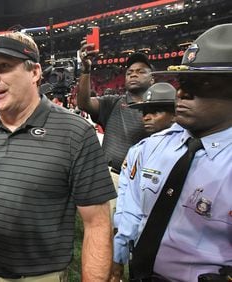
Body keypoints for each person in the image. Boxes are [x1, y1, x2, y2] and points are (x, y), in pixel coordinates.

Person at [0, 31, 116, 281]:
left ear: (34, 72)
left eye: (3, 67)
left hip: (41, 275)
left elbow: (97, 223)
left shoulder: (75, 132)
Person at [113, 24, 232, 282]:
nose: (182, 92)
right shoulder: (150, 148)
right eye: (183, 81)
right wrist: (118, 256)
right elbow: (132, 210)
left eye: (204, 83)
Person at [111, 82, 177, 281]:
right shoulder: (139, 150)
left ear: (175, 114)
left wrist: (117, 258)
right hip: (147, 251)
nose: (146, 117)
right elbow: (128, 208)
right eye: (144, 112)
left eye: (155, 111)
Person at [77, 49, 153, 192]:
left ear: (152, 78)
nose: (134, 74)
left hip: (144, 183)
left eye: (141, 71)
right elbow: (84, 103)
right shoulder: (113, 103)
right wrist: (86, 71)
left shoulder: (160, 109)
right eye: (129, 73)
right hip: (111, 178)